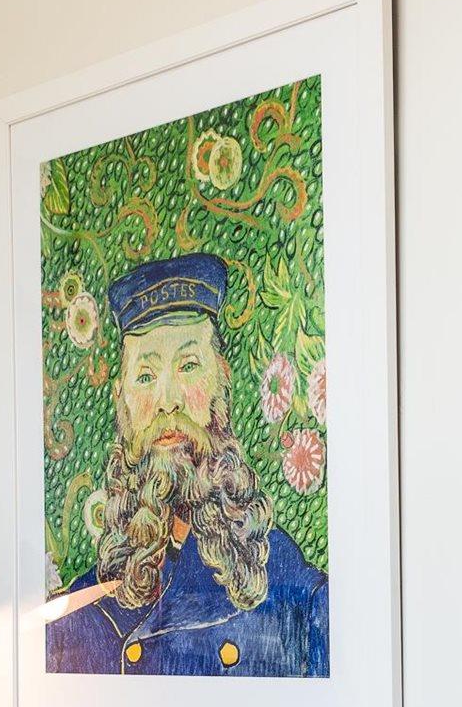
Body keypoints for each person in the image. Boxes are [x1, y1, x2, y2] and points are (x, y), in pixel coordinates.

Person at [44, 253, 329, 677]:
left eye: (188, 366)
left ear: (221, 385)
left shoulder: (297, 596)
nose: (167, 400)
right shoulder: (74, 618)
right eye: (145, 376)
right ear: (120, 400)